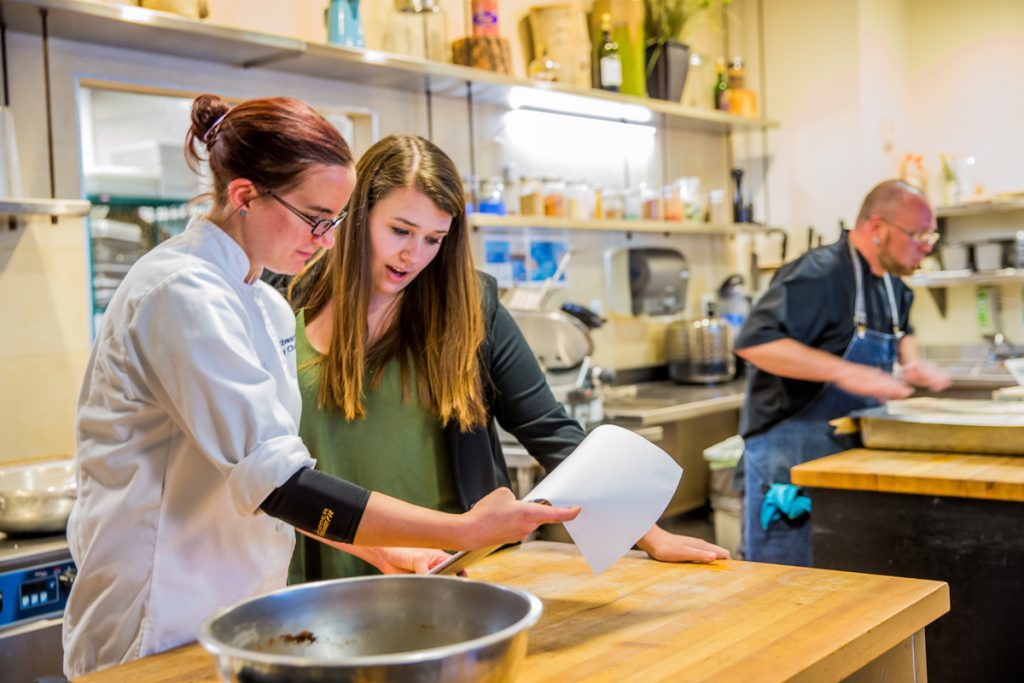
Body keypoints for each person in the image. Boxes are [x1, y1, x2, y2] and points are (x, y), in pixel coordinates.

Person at [62, 96, 578, 678]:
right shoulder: (180, 292)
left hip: (241, 610)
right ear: (244, 195)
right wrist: (462, 530)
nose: (328, 241)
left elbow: (279, 478)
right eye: (315, 218)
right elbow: (282, 485)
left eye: (334, 221)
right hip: (158, 614)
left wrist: (388, 550)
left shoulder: (262, 305)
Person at [285, 133, 729, 583]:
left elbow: (550, 430)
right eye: (400, 230)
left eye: (434, 239)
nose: (413, 255)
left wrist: (647, 534)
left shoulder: (470, 308)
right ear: (358, 215)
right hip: (318, 556)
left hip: (442, 568)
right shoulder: (287, 296)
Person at [733, 179, 951, 567]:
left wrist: (912, 362)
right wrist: (845, 372)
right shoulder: (820, 273)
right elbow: (755, 342)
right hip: (789, 458)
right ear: (877, 228)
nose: (927, 245)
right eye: (918, 234)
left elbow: (903, 329)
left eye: (929, 235)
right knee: (785, 590)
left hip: (842, 456)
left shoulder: (890, 283)